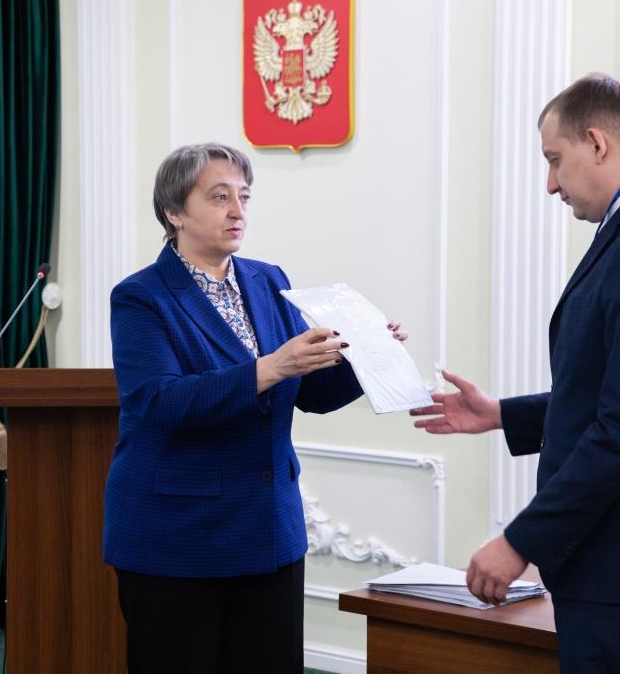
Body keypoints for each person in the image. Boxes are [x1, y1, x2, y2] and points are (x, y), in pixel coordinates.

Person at [411, 74, 620, 672]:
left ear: (597, 143)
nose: (551, 184)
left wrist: (520, 541)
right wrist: (503, 414)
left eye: (555, 160)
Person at [103, 143, 406, 673]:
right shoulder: (141, 297)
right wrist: (272, 367)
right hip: (179, 536)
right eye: (219, 197)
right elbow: (160, 402)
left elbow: (309, 393)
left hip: (268, 528)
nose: (238, 211)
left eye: (244, 197)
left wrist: (365, 356)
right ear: (174, 212)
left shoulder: (268, 280)